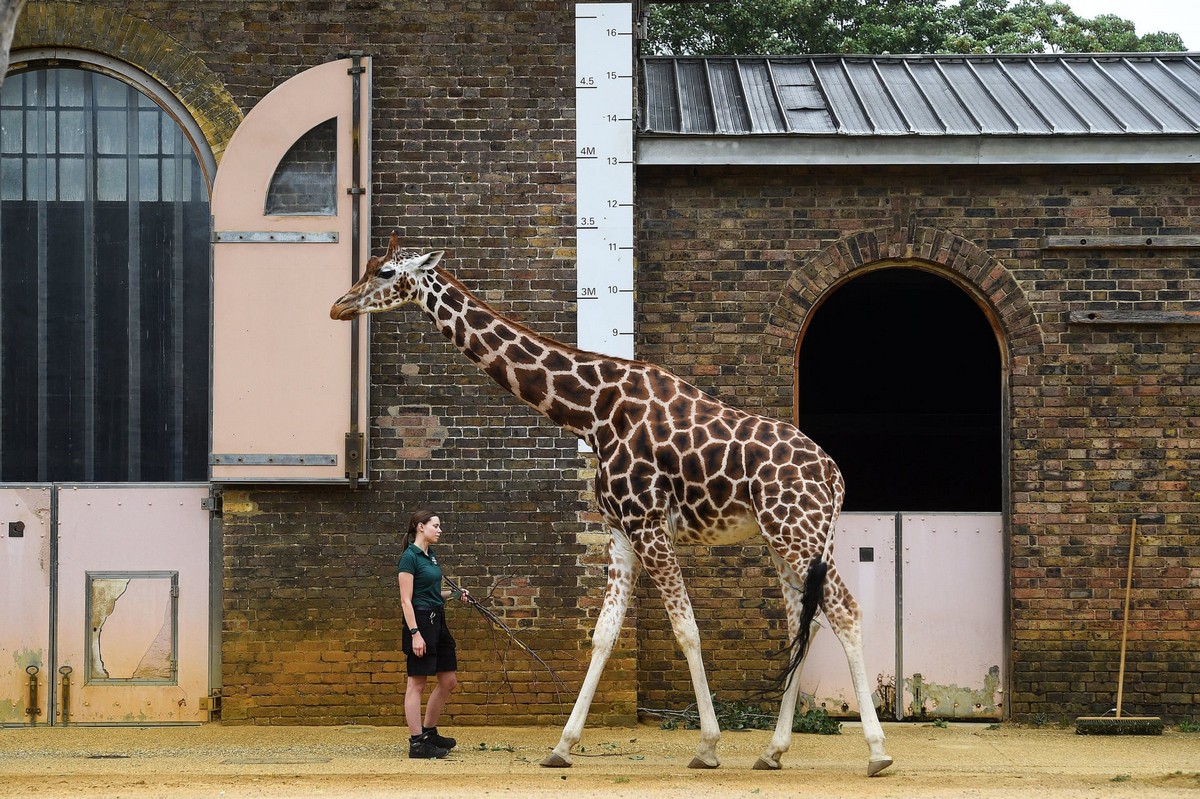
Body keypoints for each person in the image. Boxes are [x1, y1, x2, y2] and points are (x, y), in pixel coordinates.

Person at [398, 509, 470, 759]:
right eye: (435, 525)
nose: (440, 530)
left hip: (437, 619)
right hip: (420, 622)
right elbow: (406, 600)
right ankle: (417, 743)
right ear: (420, 526)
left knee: (448, 681)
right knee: (416, 683)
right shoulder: (409, 557)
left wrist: (456, 594)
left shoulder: (431, 557)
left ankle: (429, 733)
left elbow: (432, 594)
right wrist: (415, 633)